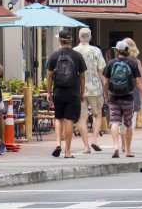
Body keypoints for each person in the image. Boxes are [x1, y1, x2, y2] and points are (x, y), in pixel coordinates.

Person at [103, 39, 142, 158]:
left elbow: (105, 82)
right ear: (127, 51)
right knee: (128, 124)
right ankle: (128, 150)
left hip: (114, 97)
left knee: (114, 121)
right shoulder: (133, 63)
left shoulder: (110, 63)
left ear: (117, 51)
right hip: (128, 98)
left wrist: (106, 96)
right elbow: (139, 82)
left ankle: (116, 146)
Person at [44, 30, 87, 158]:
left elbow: (49, 75)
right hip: (73, 92)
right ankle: (67, 152)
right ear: (71, 40)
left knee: (58, 118)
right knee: (69, 121)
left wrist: (49, 92)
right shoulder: (77, 56)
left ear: (60, 41)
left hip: (58, 92)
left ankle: (58, 143)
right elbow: (82, 76)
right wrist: (82, 92)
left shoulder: (53, 56)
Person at [74, 28, 106, 152]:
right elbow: (101, 69)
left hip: (79, 88)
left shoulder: (74, 51)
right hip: (95, 88)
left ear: (79, 37)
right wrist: (105, 85)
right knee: (97, 114)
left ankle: (86, 146)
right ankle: (94, 140)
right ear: (90, 37)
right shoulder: (95, 50)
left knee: (82, 118)